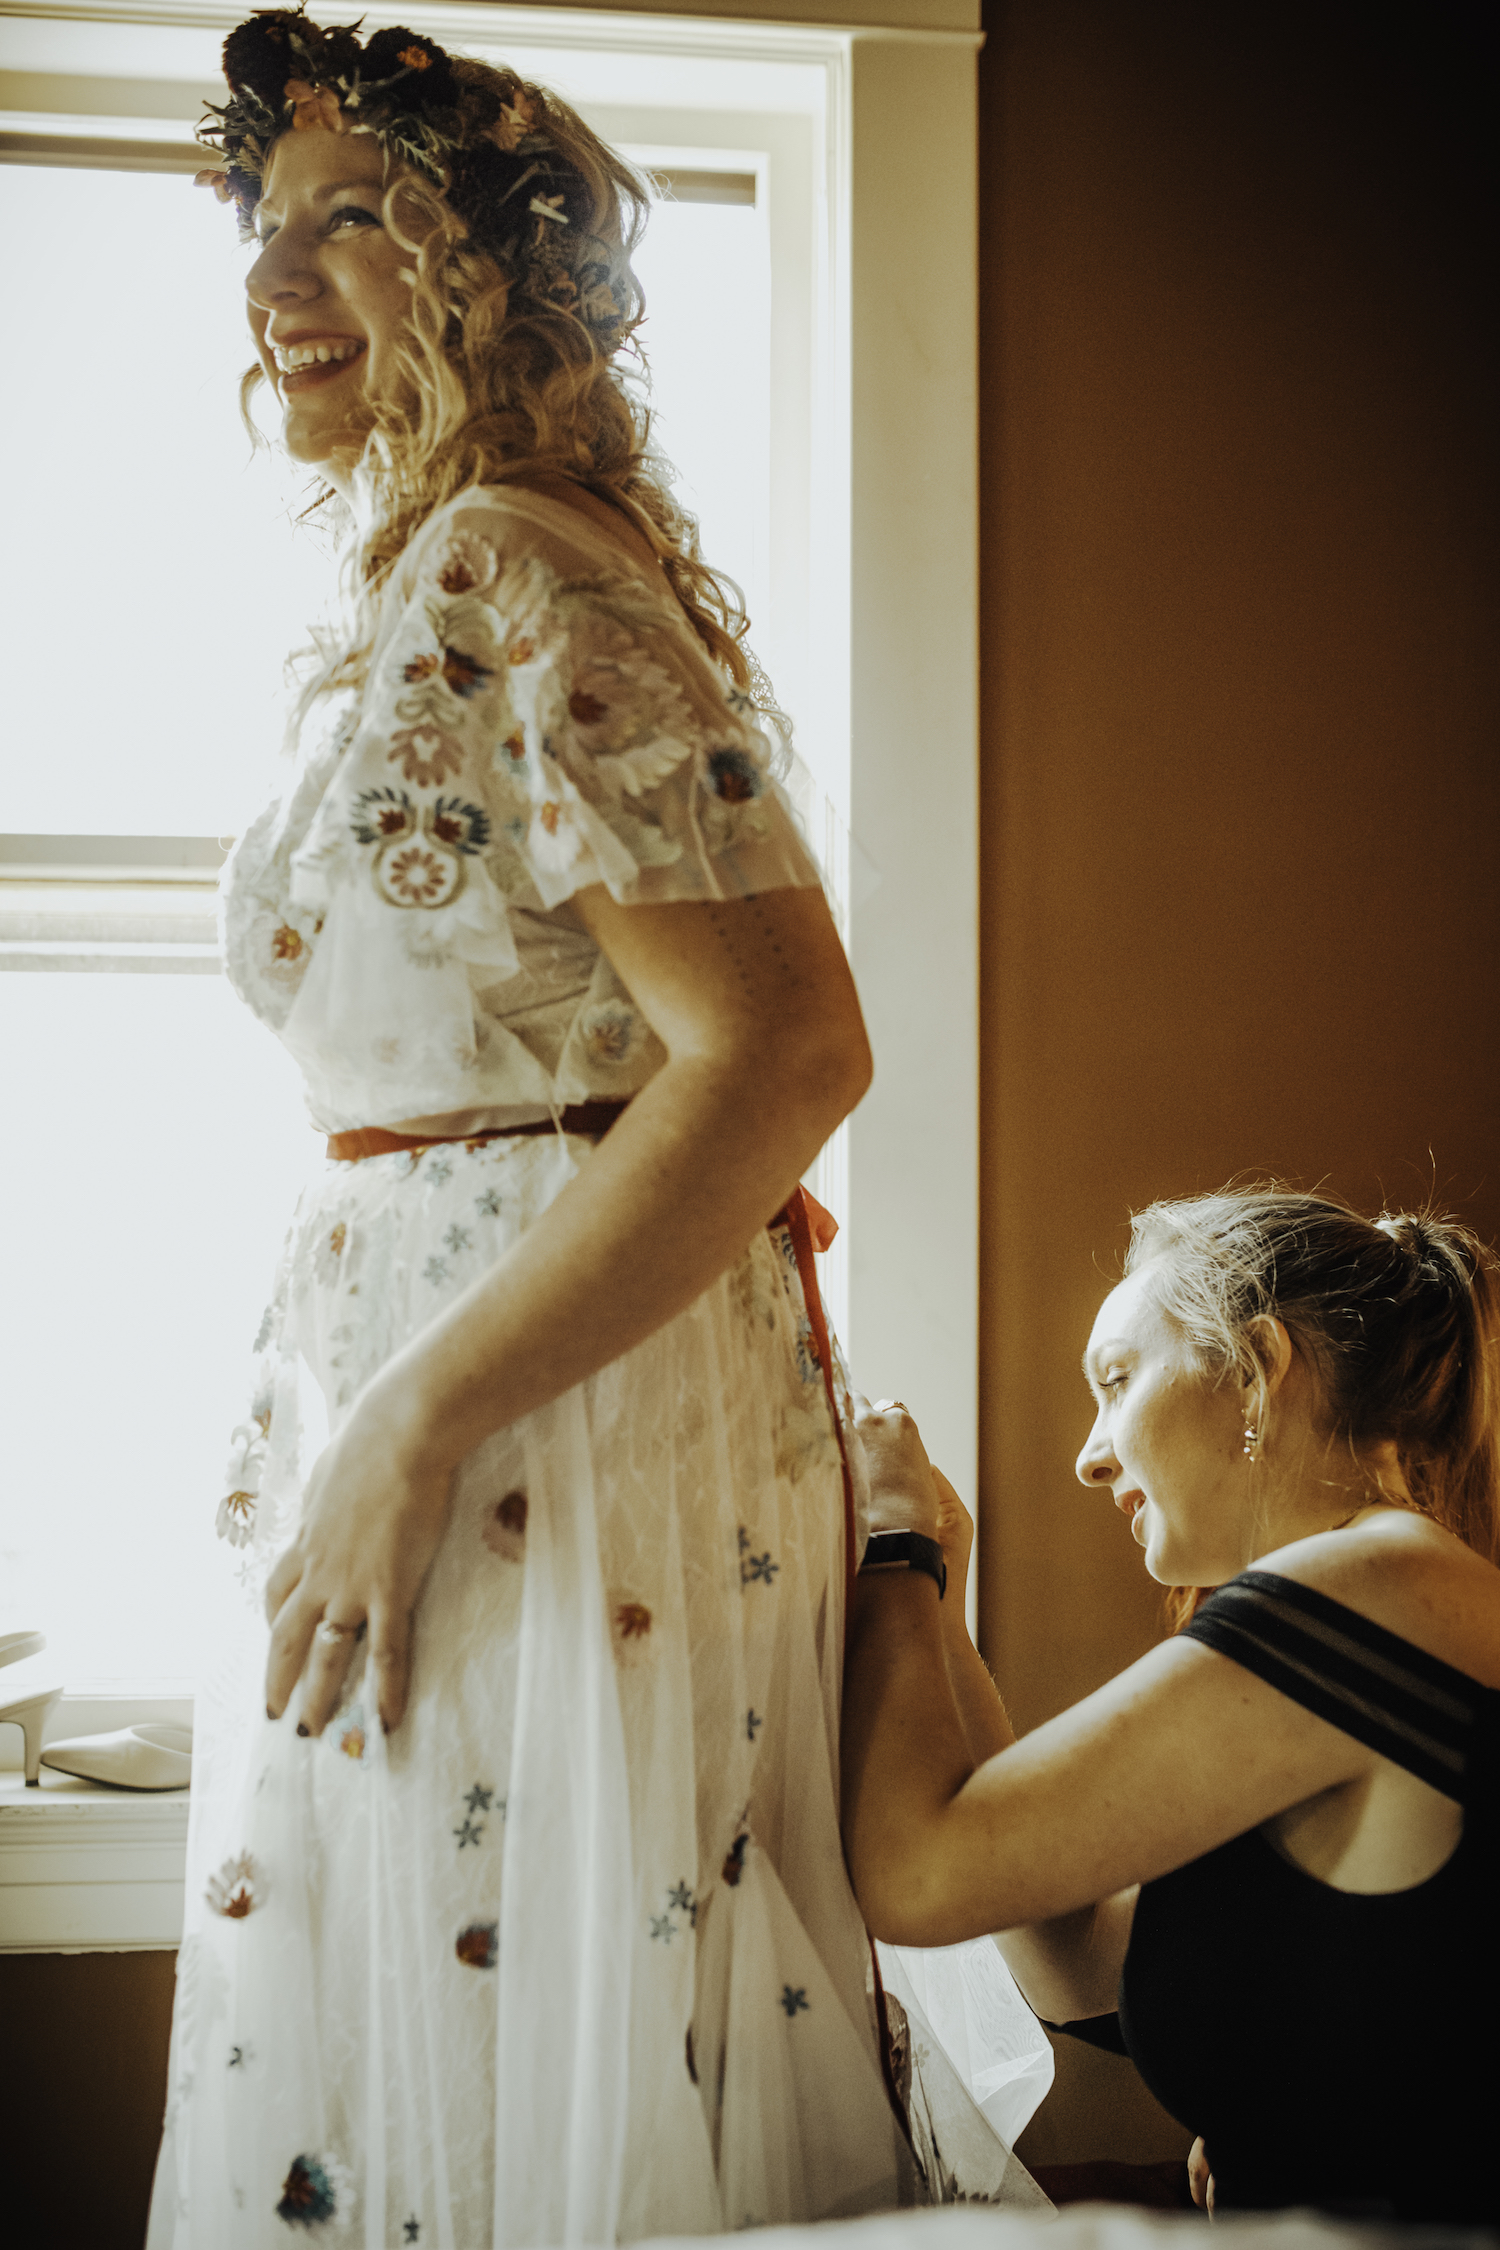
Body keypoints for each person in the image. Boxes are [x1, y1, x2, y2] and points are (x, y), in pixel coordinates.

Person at [147, 12, 936, 2241]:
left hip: (535, 1440)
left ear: (496, 272)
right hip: (508, 1414)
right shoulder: (463, 562)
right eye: (261, 221)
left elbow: (785, 1056)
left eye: (349, 218)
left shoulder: (518, 561)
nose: (273, 274)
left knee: (525, 2040)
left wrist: (408, 1423)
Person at [843, 1186, 1500, 2225]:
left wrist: (892, 1546)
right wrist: (941, 1609)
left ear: (1257, 1368)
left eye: (1116, 1380)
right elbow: (1081, 1968)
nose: (1090, 1454)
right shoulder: (1385, 1605)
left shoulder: (1374, 1589)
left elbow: (916, 1874)